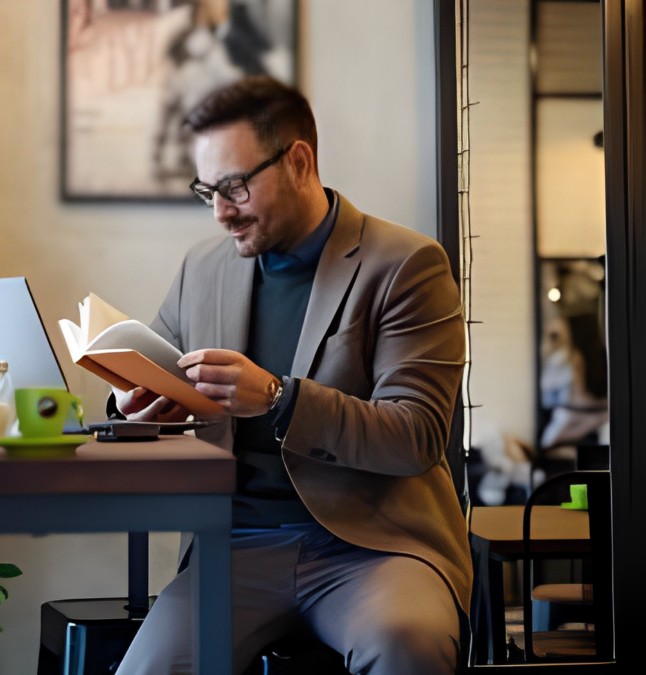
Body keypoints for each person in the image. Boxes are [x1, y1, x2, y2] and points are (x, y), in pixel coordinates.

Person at [113, 76, 471, 675]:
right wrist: (131, 396)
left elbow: (417, 436)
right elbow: (155, 362)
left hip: (374, 547)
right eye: (208, 190)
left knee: (409, 644)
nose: (221, 212)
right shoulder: (202, 269)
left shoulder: (407, 264)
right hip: (235, 547)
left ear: (299, 160)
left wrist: (280, 399)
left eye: (234, 186)